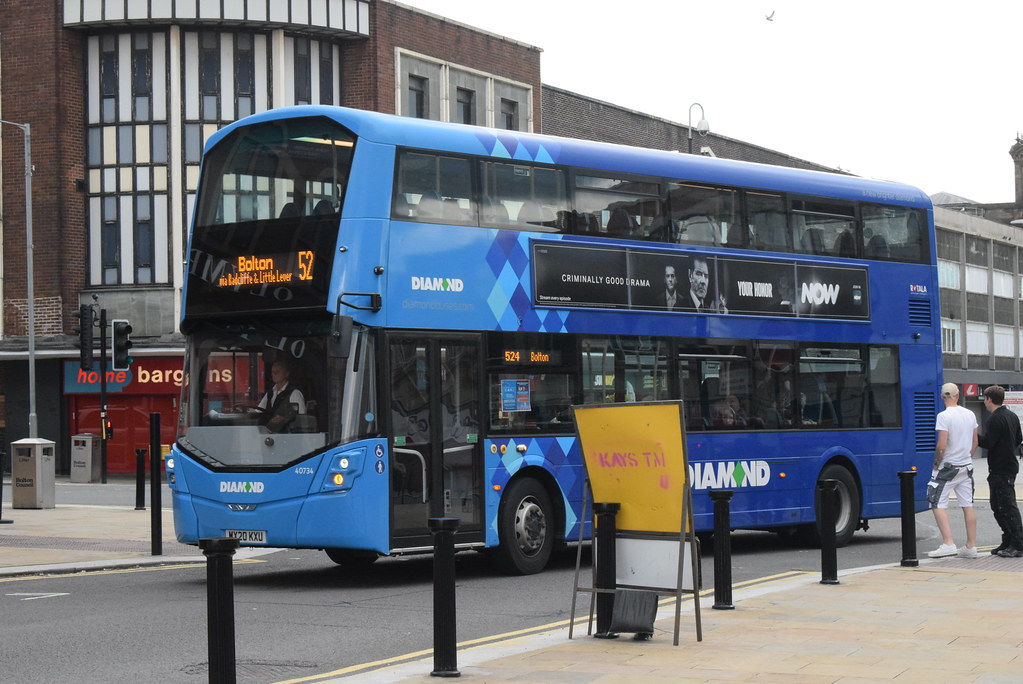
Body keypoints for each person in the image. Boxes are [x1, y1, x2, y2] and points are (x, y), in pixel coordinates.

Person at [927, 382, 978, 558]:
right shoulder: (970, 414)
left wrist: (936, 464)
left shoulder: (943, 416)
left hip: (948, 467)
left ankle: (948, 543)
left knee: (936, 502)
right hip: (966, 467)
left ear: (943, 397)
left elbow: (942, 445)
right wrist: (967, 457)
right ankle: (971, 546)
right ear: (957, 395)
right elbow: (975, 442)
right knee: (967, 505)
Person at [978, 385, 1023, 557]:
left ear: (989, 399)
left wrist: (974, 436)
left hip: (1001, 468)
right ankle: (1009, 540)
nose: (984, 402)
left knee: (1006, 507)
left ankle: (1018, 544)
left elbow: (989, 443)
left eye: (985, 399)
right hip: (1009, 465)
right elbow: (1019, 438)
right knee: (998, 506)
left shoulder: (994, 419)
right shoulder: (1011, 415)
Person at [258, 359, 306, 432]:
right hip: (269, 434)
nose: (274, 374)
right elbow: (259, 410)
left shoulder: (294, 393)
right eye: (272, 372)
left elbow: (302, 417)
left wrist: (284, 419)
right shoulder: (270, 393)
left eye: (277, 372)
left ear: (286, 374)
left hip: (287, 435)